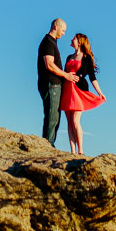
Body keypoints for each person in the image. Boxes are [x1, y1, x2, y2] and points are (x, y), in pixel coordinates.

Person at [60, 32, 106, 156]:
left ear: (79, 42)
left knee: (75, 120)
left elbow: (92, 77)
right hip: (67, 89)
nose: (71, 39)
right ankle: (73, 151)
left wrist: (100, 93)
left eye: (73, 38)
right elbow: (64, 73)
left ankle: (81, 150)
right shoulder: (69, 57)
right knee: (69, 121)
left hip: (79, 90)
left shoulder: (86, 58)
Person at [37, 18, 78, 146]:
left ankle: (49, 144)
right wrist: (66, 75)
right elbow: (49, 64)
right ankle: (48, 145)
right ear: (56, 27)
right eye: (63, 30)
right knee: (52, 116)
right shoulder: (48, 42)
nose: (64, 33)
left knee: (54, 116)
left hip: (54, 85)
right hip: (51, 84)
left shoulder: (52, 42)